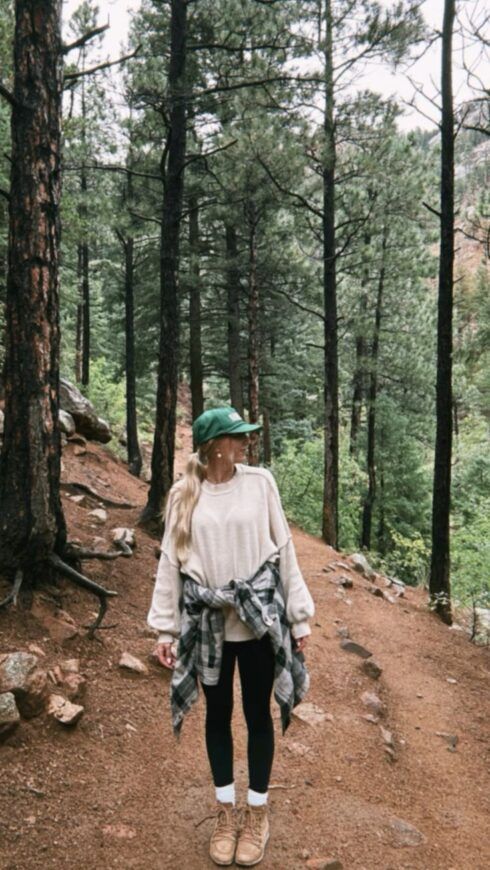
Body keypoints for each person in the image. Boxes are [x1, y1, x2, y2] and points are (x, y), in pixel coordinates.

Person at [147, 406, 315, 867]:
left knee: (258, 715)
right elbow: (170, 563)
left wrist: (298, 617)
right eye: (238, 437)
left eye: (245, 437)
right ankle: (225, 810)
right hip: (208, 624)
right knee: (217, 716)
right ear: (216, 445)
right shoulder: (185, 493)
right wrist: (165, 626)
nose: (246, 443)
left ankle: (256, 812)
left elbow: (284, 550)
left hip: (258, 620)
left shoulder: (260, 483)